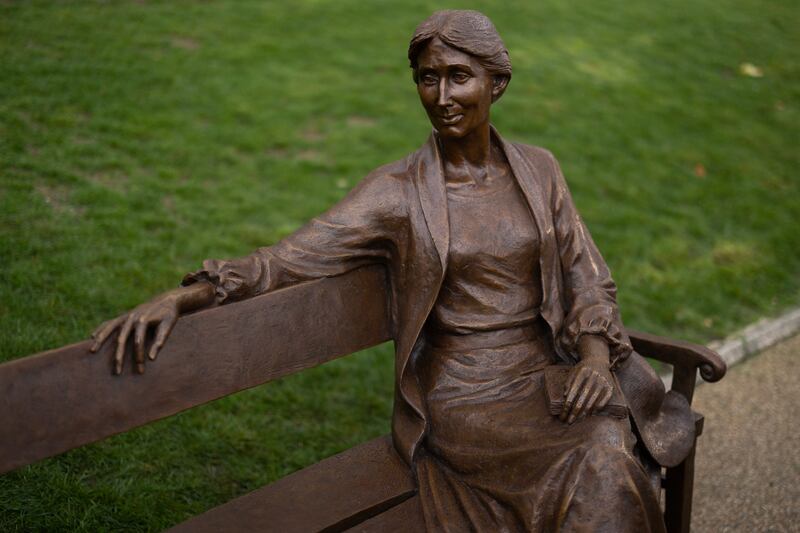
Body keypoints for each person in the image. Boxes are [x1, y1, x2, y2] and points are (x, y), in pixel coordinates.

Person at [91, 10, 693, 532]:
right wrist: (187, 295)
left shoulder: (539, 169)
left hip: (546, 376)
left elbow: (585, 272)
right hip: (466, 397)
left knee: (606, 454)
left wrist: (592, 356)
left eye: (460, 76)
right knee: (597, 459)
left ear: (497, 83)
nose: (442, 96)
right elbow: (284, 260)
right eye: (427, 79)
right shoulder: (397, 193)